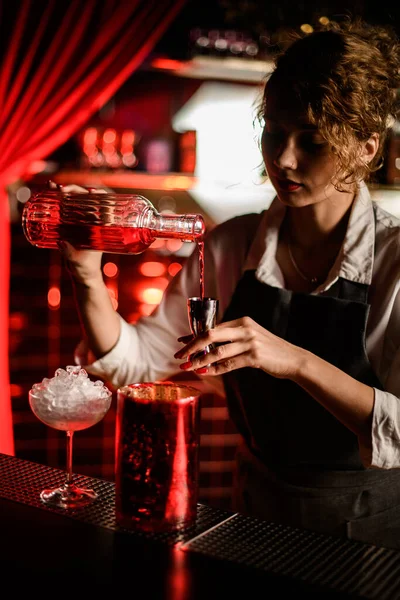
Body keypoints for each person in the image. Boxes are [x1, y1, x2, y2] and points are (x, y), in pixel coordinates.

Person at [58, 18, 400, 548]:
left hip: (369, 527)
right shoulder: (231, 245)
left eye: (311, 141)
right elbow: (135, 365)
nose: (284, 159)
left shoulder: (394, 261)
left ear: (365, 147)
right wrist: (84, 269)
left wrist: (296, 361)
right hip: (255, 508)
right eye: (276, 133)